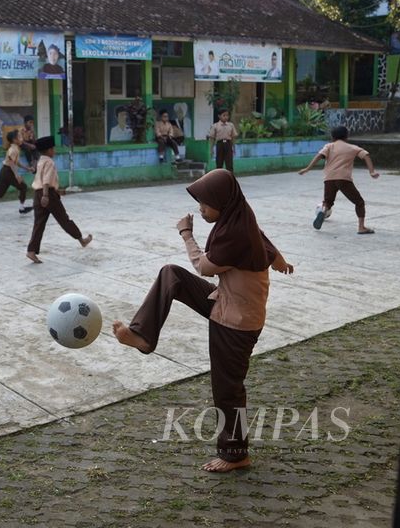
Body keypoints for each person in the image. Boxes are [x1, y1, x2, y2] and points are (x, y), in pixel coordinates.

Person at [112, 169, 294, 473]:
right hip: (225, 303)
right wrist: (280, 262)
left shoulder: (235, 233)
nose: (201, 210)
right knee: (171, 274)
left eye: (205, 204)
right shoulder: (240, 219)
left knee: (227, 389)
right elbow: (266, 243)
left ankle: (236, 455)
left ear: (223, 202)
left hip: (236, 323)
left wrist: (186, 234)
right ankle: (143, 335)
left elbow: (204, 266)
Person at [298, 126, 379, 234]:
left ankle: (323, 211)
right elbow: (366, 155)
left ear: (332, 136)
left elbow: (319, 156)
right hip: (344, 179)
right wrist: (371, 171)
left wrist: (307, 168)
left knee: (328, 201)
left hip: (329, 178)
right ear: (346, 136)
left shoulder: (329, 146)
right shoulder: (352, 148)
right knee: (359, 202)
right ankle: (361, 227)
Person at [26, 136, 92, 263]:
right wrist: (46, 195)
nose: (54, 151)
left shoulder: (40, 161)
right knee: (64, 219)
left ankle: (31, 251)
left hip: (37, 193)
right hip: (47, 194)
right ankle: (81, 239)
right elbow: (46, 180)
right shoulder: (49, 162)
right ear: (49, 150)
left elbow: (42, 180)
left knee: (39, 223)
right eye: (53, 149)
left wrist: (56, 191)